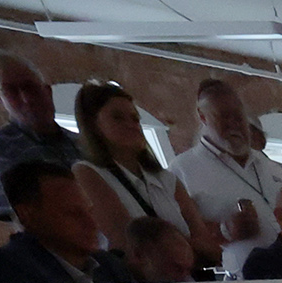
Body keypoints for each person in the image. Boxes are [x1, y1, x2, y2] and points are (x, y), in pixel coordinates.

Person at [70, 80, 221, 268]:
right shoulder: (87, 172)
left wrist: (175, 249)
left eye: (135, 119)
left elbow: (212, 250)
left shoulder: (167, 179)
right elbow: (126, 243)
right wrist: (186, 248)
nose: (131, 125)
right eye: (117, 118)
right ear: (94, 125)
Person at [173, 79, 282, 277]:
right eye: (224, 117)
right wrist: (225, 231)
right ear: (203, 117)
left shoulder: (266, 164)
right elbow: (178, 239)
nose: (234, 124)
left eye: (239, 117)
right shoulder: (181, 171)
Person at [0, 159, 136, 283]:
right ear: (26, 215)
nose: (92, 224)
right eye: (72, 214)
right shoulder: (11, 265)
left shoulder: (110, 266)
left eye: (90, 211)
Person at [0, 50, 81, 222]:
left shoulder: (78, 141)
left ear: (47, 91)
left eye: (30, 87)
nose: (26, 99)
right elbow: (22, 219)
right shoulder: (0, 146)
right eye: (11, 91)